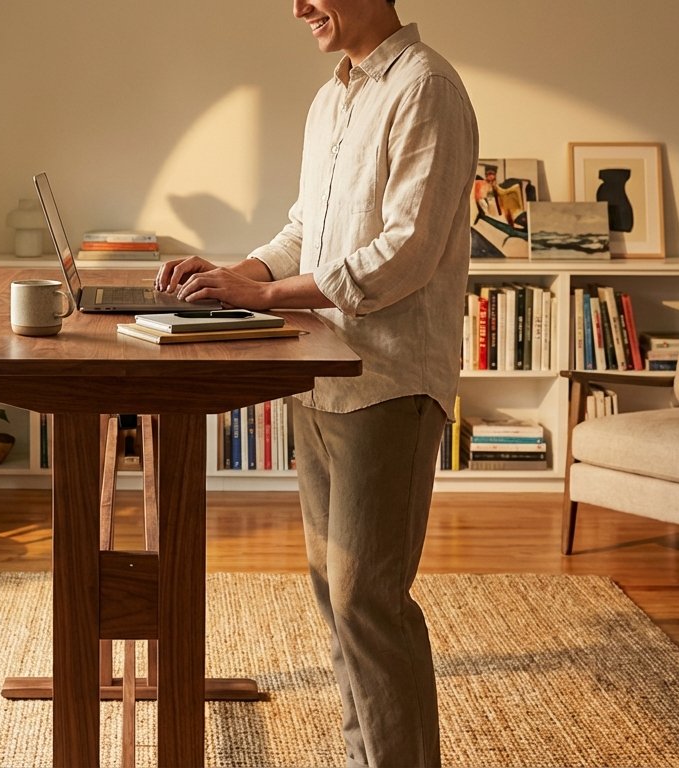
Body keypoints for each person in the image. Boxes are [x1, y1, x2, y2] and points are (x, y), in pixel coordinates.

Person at [155, 1, 477, 765]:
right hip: (322, 372)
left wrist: (265, 299)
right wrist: (240, 272)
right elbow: (308, 226)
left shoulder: (426, 87)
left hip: (388, 379)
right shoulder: (333, 98)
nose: (298, 5)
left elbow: (406, 251)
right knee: (337, 596)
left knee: (370, 600)